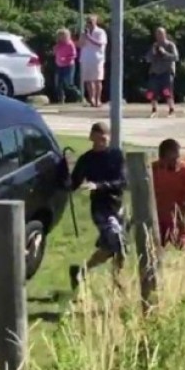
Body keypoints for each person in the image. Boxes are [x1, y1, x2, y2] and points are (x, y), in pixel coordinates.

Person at [68, 122, 127, 290]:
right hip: (101, 209)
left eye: (104, 138)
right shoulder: (86, 160)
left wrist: (99, 185)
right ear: (91, 137)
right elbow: (72, 184)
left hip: (118, 206)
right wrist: (63, 173)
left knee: (110, 249)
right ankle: (118, 281)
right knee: (118, 243)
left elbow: (123, 182)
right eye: (98, 138)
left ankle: (81, 271)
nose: (102, 142)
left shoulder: (116, 156)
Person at [145, 27, 179, 118]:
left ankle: (171, 110)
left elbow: (176, 57)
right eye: (157, 34)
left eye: (161, 34)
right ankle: (154, 110)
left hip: (166, 71)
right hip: (155, 72)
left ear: (165, 34)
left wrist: (165, 53)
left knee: (167, 91)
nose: (159, 36)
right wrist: (152, 53)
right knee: (151, 92)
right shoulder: (154, 45)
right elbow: (148, 59)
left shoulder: (170, 45)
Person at [78, 15, 108, 108]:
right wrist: (83, 36)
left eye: (91, 21)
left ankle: (98, 99)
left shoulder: (100, 32)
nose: (89, 23)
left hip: (97, 58)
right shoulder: (84, 33)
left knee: (97, 80)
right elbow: (80, 45)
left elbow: (100, 44)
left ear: (95, 22)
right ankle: (91, 99)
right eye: (88, 21)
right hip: (86, 58)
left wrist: (89, 37)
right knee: (88, 80)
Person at [53, 28, 79, 103]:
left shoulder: (70, 44)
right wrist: (55, 49)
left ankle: (78, 95)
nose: (61, 38)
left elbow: (74, 55)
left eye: (63, 36)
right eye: (60, 36)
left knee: (68, 83)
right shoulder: (58, 44)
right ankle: (61, 99)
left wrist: (66, 58)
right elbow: (55, 53)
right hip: (59, 65)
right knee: (58, 83)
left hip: (68, 65)